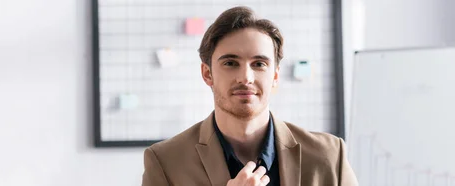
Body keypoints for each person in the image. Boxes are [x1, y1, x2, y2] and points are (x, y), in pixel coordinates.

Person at [141, 6, 358, 186]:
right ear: (207, 74)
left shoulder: (329, 155)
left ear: (274, 75)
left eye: (259, 64)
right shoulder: (166, 162)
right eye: (230, 63)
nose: (246, 77)